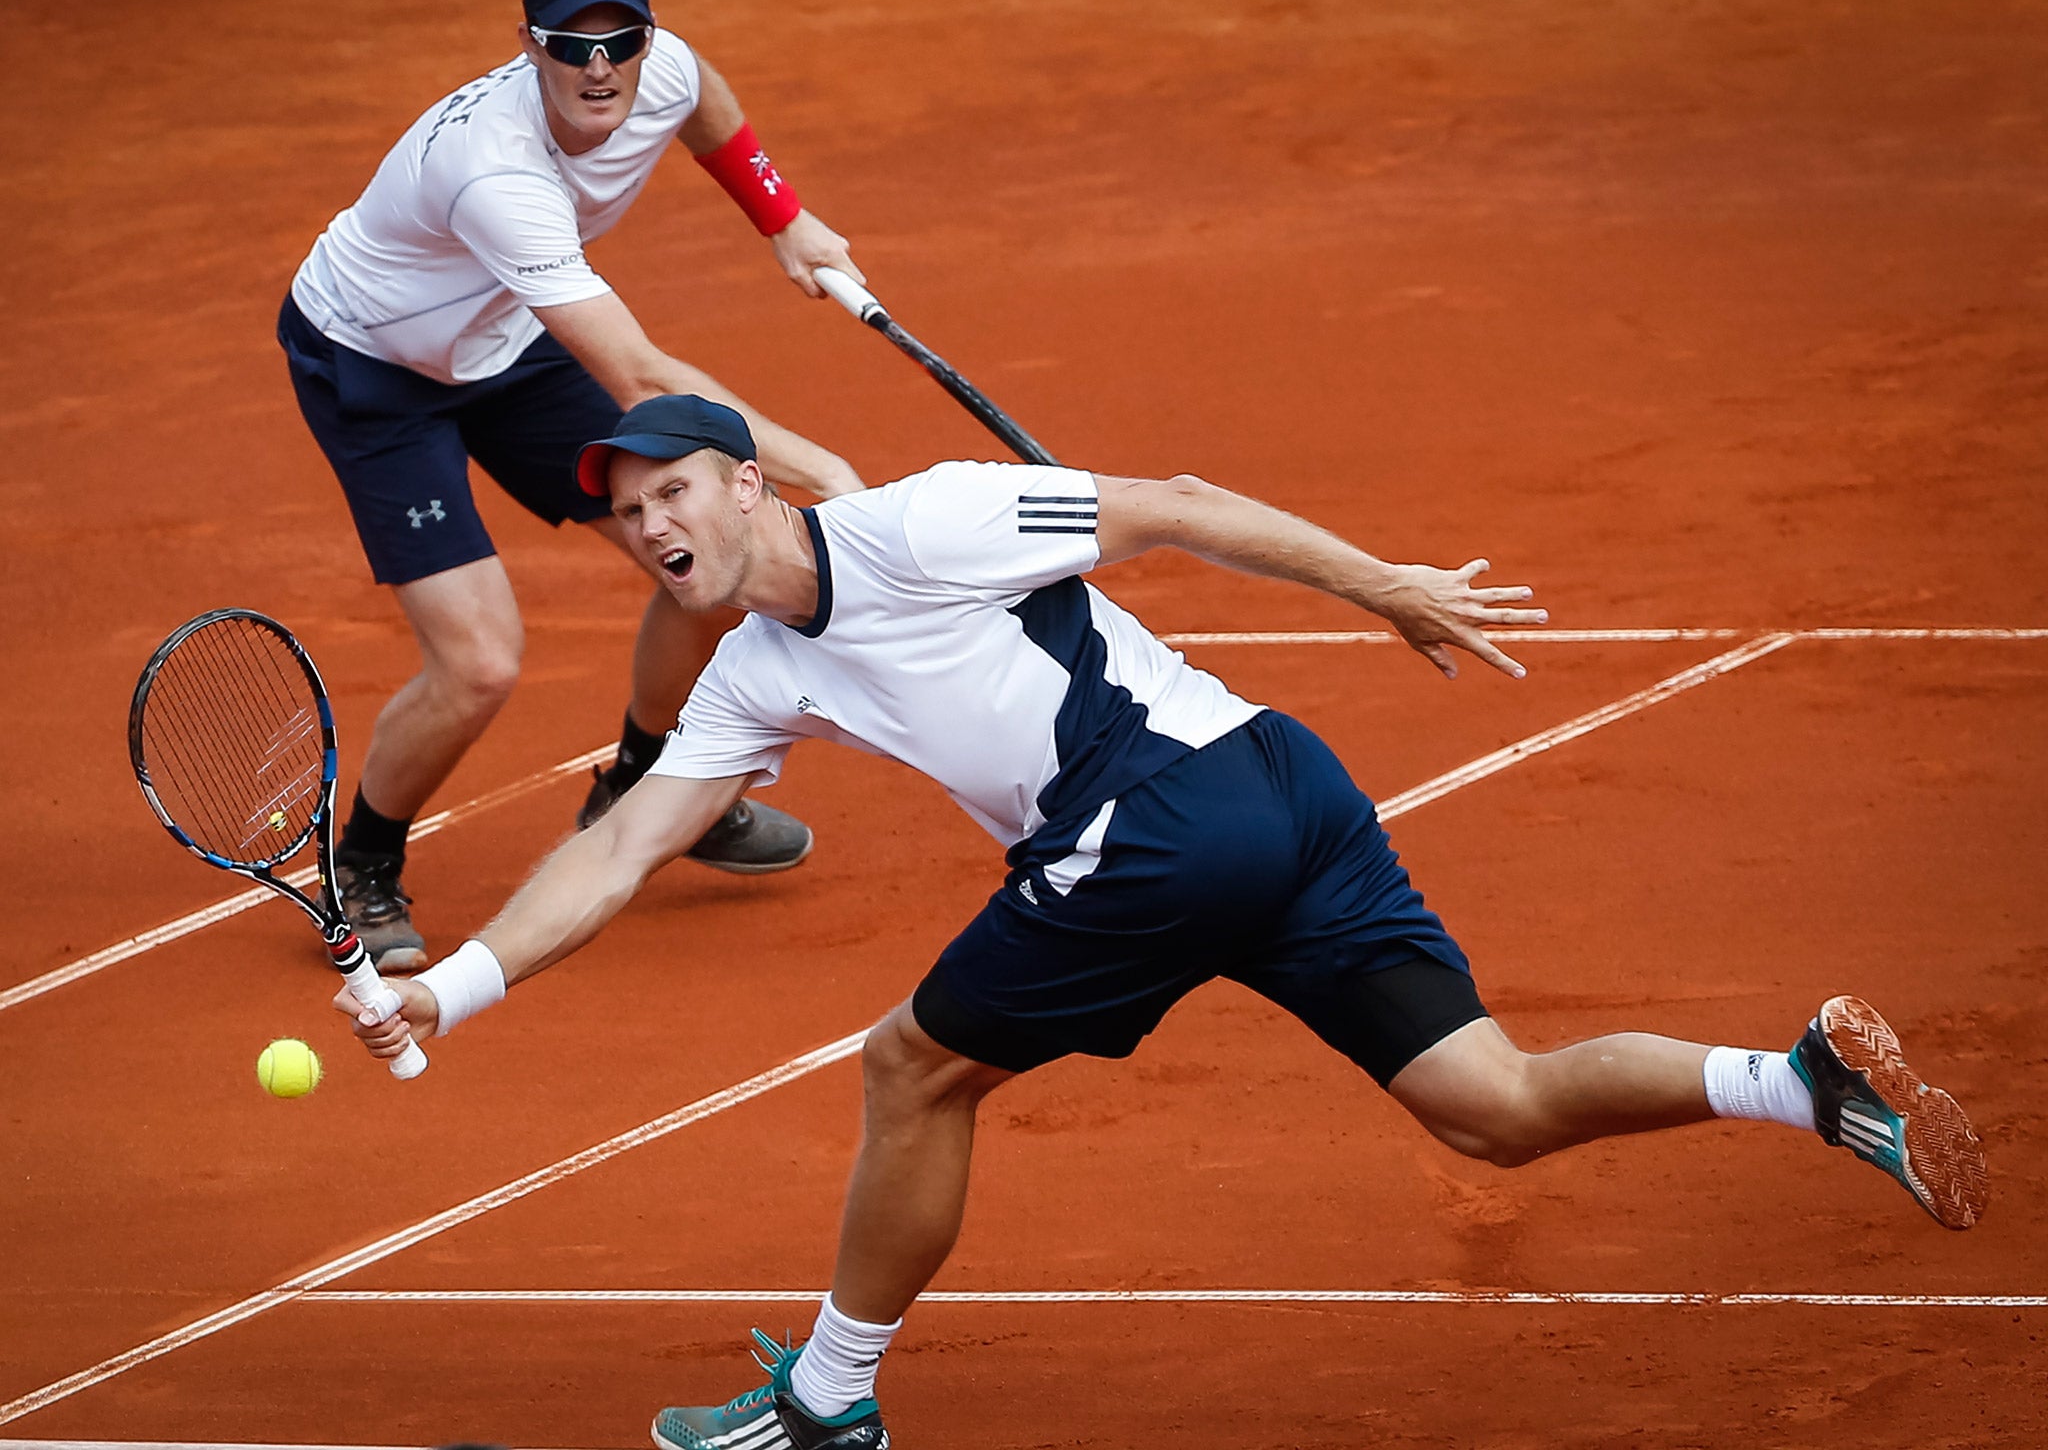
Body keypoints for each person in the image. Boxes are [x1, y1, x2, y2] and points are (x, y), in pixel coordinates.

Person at [340, 394, 1989, 1450]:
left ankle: (826, 1405)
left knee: (911, 1069)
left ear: (747, 484)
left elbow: (1179, 500)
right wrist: (457, 983)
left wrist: (1391, 584)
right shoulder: (755, 670)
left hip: (1153, 821)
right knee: (1485, 1108)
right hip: (1285, 785)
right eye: (627, 516)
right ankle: (1794, 1085)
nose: (651, 529)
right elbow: (625, 840)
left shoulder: (923, 522)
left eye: (674, 493)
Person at [279, 0, 865, 975]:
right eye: (569, 46)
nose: (600, 67)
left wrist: (783, 216)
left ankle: (639, 785)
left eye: (621, 41)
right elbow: (640, 379)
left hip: (507, 339)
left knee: (714, 559)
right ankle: (359, 862)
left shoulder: (662, 68)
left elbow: (703, 96)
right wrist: (818, 467)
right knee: (479, 662)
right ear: (528, 49)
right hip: (374, 367)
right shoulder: (494, 172)